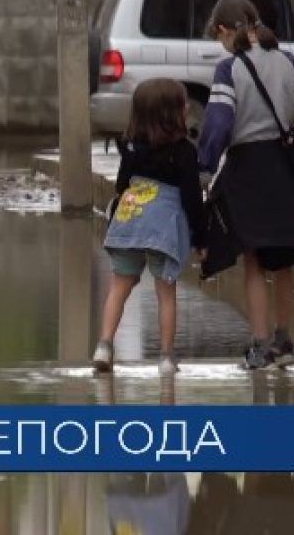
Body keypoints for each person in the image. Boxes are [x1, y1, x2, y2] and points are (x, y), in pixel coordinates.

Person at [197, 0, 294, 370]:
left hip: (248, 170)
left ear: (225, 31)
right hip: (285, 166)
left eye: (219, 37)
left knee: (254, 262)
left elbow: (219, 122)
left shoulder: (229, 68)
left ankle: (259, 346)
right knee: (284, 263)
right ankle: (284, 342)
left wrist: (205, 168)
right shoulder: (288, 61)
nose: (222, 44)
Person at [92, 78, 207, 376]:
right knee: (165, 292)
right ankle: (166, 358)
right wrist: (201, 237)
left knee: (119, 286)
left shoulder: (131, 148)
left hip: (130, 216)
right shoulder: (184, 152)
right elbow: (192, 198)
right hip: (161, 227)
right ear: (174, 114)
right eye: (183, 107)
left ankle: (104, 345)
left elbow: (121, 185)